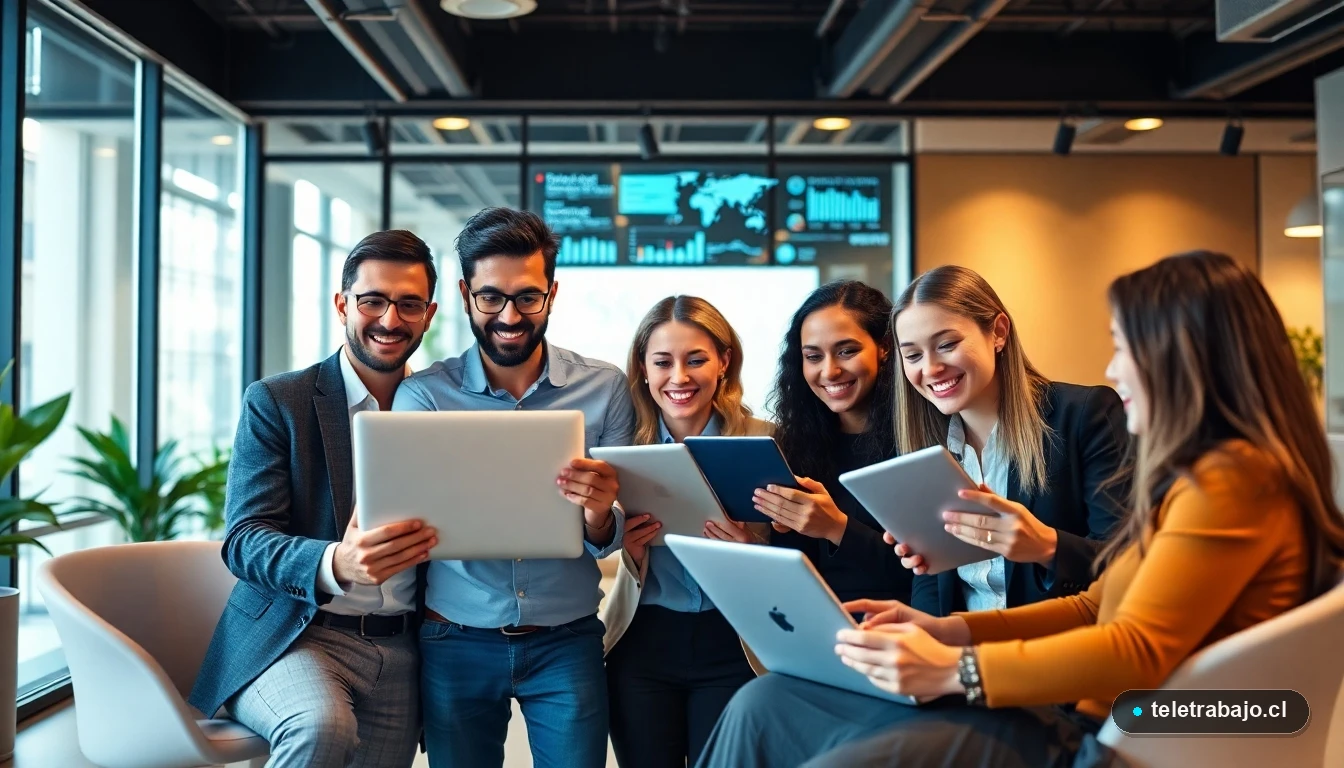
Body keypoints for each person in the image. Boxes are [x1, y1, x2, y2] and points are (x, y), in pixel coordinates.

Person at [697, 250, 1344, 768]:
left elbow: (1135, 648)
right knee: (763, 703)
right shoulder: (1202, 479)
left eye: (1124, 347)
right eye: (914, 353)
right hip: (1046, 706)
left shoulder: (1231, 482)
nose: (1114, 369)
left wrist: (957, 668)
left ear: (1184, 357)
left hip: (1095, 729)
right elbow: (1097, 607)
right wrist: (947, 632)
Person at [392, 207, 634, 768]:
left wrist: (600, 512)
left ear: (552, 294)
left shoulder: (605, 388)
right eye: (490, 297)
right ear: (464, 294)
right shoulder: (424, 397)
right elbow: (407, 519)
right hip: (455, 638)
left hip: (567, 639)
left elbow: (616, 533)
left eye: (527, 297)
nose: (509, 316)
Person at [190, 230, 441, 768]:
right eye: (372, 300)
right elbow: (244, 540)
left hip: (404, 649)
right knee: (320, 728)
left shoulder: (443, 412)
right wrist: (337, 562)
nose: (390, 319)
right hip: (298, 635)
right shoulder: (279, 401)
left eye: (409, 304)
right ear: (342, 304)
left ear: (429, 315)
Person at [889, 264, 1130, 616]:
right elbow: (930, 584)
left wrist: (1048, 547)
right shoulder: (926, 446)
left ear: (998, 332)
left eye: (947, 344)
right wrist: (921, 630)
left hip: (1060, 640)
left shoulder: (1084, 415)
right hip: (963, 642)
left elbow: (1129, 562)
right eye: (912, 355)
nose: (931, 368)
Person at [600, 295, 773, 768]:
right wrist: (628, 547)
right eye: (663, 362)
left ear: (724, 362)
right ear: (643, 367)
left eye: (696, 360)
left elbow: (798, 552)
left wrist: (752, 549)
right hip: (642, 642)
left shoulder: (766, 440)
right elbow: (593, 536)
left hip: (734, 642)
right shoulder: (619, 446)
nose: (679, 377)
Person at [749, 280, 911, 605]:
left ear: (884, 347)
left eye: (847, 351)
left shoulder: (918, 440)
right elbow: (797, 576)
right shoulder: (795, 444)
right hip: (818, 625)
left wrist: (837, 528)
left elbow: (931, 576)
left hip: (900, 625)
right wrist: (751, 548)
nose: (830, 371)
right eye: (813, 356)